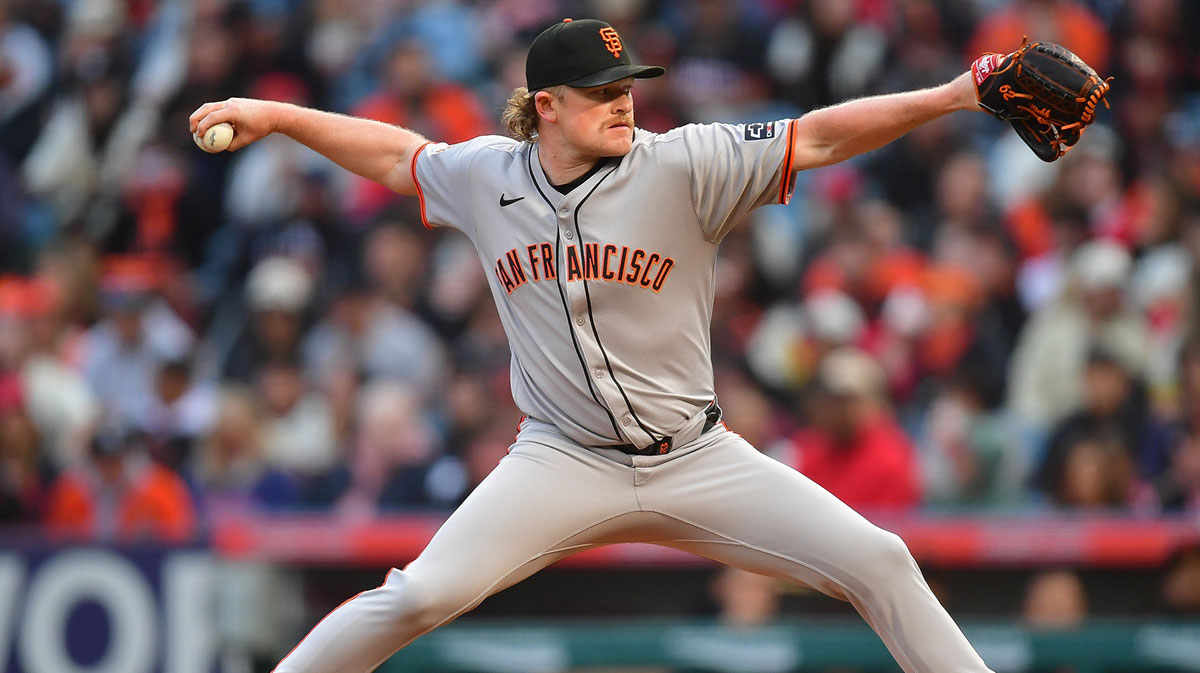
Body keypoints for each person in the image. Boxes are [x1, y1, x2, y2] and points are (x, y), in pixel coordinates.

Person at [192, 18, 1001, 673]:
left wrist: (959, 94)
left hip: (696, 456)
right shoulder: (488, 175)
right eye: (601, 92)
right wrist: (275, 116)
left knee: (882, 559)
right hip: (561, 459)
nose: (624, 103)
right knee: (416, 596)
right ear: (546, 105)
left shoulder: (684, 163)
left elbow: (819, 138)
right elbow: (393, 156)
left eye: (629, 88)